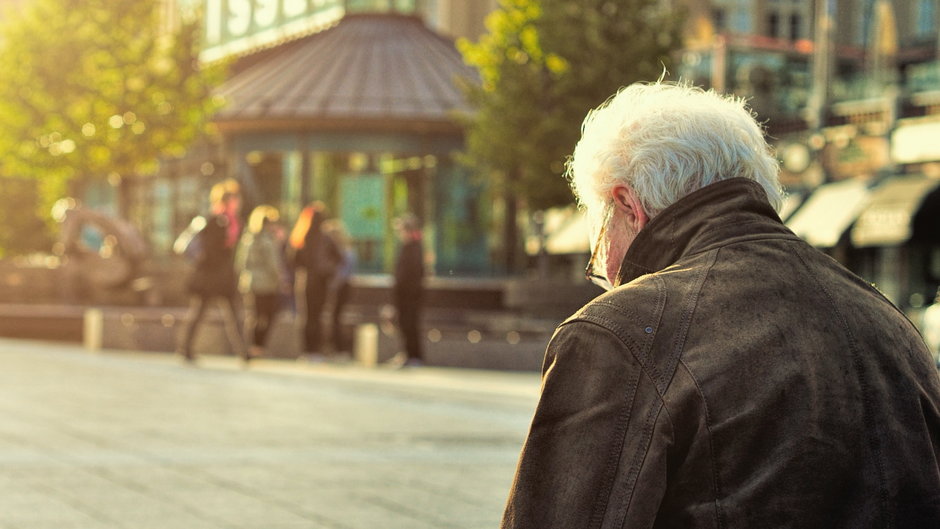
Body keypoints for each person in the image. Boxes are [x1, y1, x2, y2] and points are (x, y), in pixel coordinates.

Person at [500, 82, 940, 528]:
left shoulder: (620, 332)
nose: (607, 276)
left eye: (598, 251)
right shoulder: (891, 323)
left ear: (628, 206)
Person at [176, 178, 248, 363]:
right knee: (202, 312)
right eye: (234, 199)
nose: (237, 203)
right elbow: (211, 250)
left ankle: (243, 352)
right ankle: (185, 348)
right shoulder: (217, 221)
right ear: (228, 201)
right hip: (211, 277)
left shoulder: (230, 221)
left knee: (232, 314)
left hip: (221, 276)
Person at [290, 202, 342, 359]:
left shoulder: (301, 236)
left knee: (307, 316)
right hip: (321, 281)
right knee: (318, 315)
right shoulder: (325, 238)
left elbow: (293, 260)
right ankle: (316, 350)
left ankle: (307, 349)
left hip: (306, 281)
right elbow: (339, 258)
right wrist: (328, 270)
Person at [235, 205, 288, 360]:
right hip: (267, 283)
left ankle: (250, 347)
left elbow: (240, 263)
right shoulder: (267, 240)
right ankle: (258, 346)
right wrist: (282, 279)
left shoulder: (247, 238)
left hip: (250, 282)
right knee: (267, 315)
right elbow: (274, 264)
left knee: (254, 315)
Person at [389, 213, 425, 367]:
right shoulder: (407, 247)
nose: (399, 234)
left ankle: (413, 355)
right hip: (404, 293)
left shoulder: (414, 248)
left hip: (410, 294)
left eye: (401, 230)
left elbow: (412, 274)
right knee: (404, 323)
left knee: (409, 323)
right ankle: (408, 354)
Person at [323, 219, 355, 356]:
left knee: (337, 317)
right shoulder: (336, 251)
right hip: (337, 286)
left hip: (341, 287)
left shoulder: (345, 252)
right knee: (333, 317)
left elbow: (344, 272)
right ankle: (334, 347)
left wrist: (333, 285)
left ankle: (340, 347)